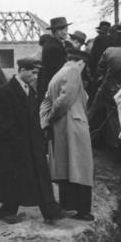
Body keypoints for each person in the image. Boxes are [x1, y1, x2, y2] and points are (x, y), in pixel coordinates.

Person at [0, 58, 64, 225]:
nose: (35, 76)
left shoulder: (29, 90)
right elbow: (2, 123)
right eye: (32, 72)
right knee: (15, 177)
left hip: (32, 142)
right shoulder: (5, 92)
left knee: (40, 175)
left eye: (37, 73)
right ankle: (7, 211)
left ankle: (50, 210)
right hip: (13, 145)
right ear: (22, 70)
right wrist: (18, 141)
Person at [40, 49, 95, 221]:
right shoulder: (73, 72)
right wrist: (53, 116)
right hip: (73, 125)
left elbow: (46, 101)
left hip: (60, 128)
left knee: (65, 167)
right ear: (81, 62)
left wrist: (46, 121)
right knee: (82, 167)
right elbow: (65, 99)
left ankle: (67, 205)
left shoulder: (57, 74)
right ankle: (83, 210)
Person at [37, 16, 71, 102]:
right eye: (62, 30)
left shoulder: (53, 43)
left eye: (66, 29)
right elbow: (58, 71)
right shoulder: (54, 47)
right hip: (53, 89)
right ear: (55, 31)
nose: (65, 32)